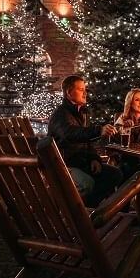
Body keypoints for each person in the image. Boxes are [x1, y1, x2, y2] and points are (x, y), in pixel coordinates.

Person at [47, 74, 122, 206]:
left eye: (85, 89)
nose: (85, 93)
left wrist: (94, 158)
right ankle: (83, 214)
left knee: (115, 174)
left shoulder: (79, 113)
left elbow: (86, 141)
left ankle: (91, 210)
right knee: (88, 183)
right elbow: (70, 133)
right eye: (81, 89)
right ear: (69, 93)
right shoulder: (61, 114)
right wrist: (99, 130)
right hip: (65, 164)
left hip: (80, 162)